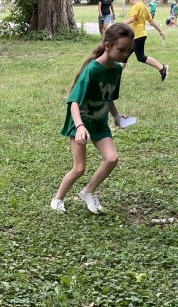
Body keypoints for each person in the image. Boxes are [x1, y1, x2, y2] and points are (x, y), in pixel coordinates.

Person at [50, 23, 135, 214]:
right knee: (79, 168)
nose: (125, 54)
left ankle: (88, 191)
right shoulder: (92, 70)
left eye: (129, 50)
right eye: (121, 49)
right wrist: (80, 126)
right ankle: (57, 199)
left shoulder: (117, 70)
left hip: (99, 123)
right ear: (107, 45)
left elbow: (109, 96)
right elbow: (73, 102)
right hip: (80, 121)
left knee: (112, 158)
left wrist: (117, 116)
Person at [122, 0, 169, 81]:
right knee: (124, 56)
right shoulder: (144, 6)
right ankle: (115, 74)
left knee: (140, 57)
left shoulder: (136, 6)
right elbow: (151, 21)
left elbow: (132, 19)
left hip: (138, 35)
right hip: (138, 35)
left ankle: (162, 68)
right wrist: (160, 31)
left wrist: (120, 25)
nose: (129, 1)